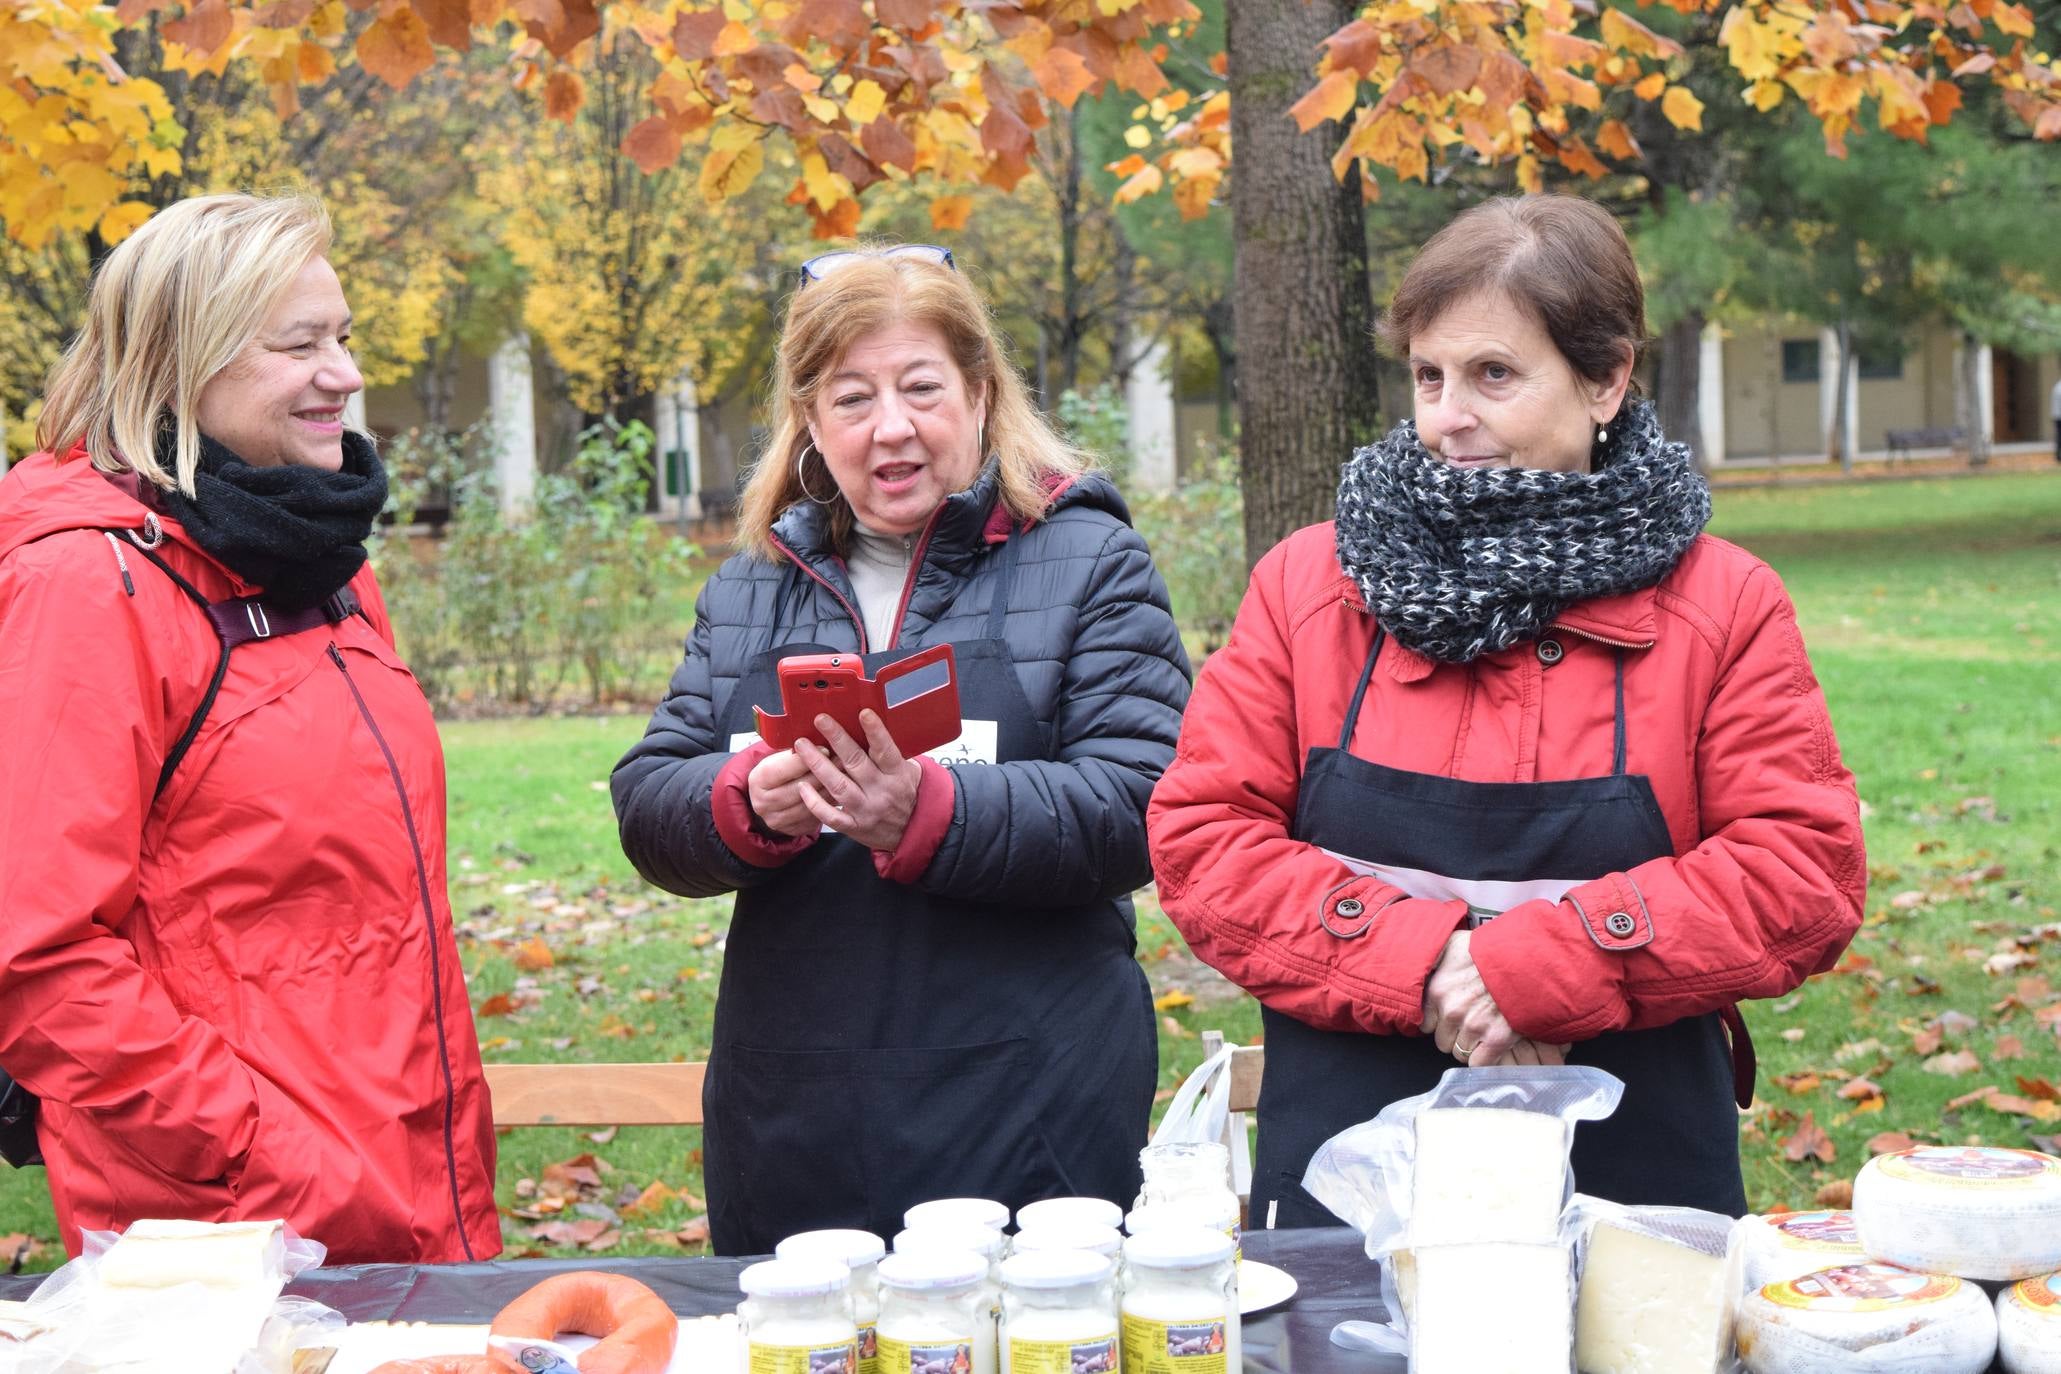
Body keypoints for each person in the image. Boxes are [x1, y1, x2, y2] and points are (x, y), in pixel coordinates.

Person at [1147, 195, 1865, 1225]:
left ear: (1606, 376)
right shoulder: (1308, 585)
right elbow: (1203, 840)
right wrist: (1433, 965)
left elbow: (1804, 868)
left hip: (1636, 1175)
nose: (1449, 415)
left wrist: (1547, 966)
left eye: (1494, 375)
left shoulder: (1724, 603)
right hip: (1348, 1169)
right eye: (1429, 375)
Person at [613, 243, 1191, 1255]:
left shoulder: (1091, 559)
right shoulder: (753, 587)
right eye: (850, 398)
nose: (891, 427)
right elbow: (651, 796)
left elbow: (1143, 801)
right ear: (809, 420)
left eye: (921, 388)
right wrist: (748, 801)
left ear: (978, 393)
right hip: (794, 1106)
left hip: (1030, 1098)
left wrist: (927, 813)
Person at [0, 193, 499, 1263]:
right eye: (301, 344)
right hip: (236, 1237)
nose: (347, 373)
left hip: (416, 1184)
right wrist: (267, 1156)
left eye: (346, 337)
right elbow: (37, 960)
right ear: (187, 362)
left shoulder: (320, 566)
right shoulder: (86, 583)